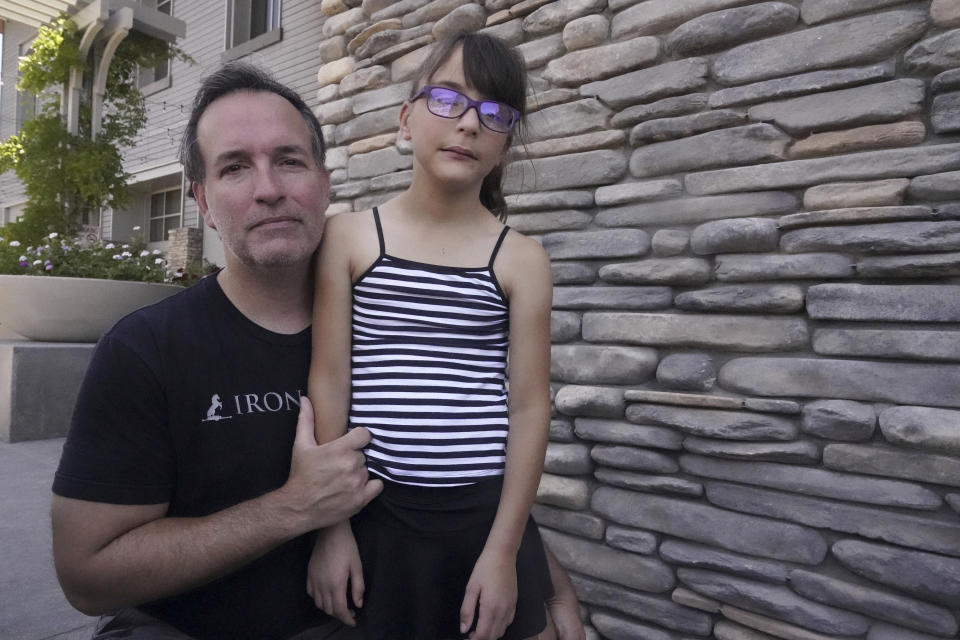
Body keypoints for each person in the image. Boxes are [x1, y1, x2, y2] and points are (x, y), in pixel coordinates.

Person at [49, 62, 584, 640]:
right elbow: (88, 577)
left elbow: (466, 443)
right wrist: (295, 508)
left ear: (324, 183)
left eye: (289, 160)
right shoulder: (146, 350)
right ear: (201, 201)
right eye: (235, 168)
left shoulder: (398, 317)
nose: (269, 188)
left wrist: (538, 574)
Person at [307, 31, 561, 640]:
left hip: (482, 519)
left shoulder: (522, 260)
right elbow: (329, 379)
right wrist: (330, 527)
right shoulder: (349, 238)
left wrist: (504, 553)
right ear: (406, 118)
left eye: (494, 112)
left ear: (505, 145)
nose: (469, 123)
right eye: (448, 99)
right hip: (375, 513)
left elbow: (529, 407)